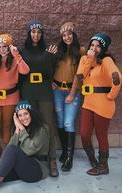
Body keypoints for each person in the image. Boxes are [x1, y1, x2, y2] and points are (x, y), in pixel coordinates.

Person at [76, 33, 121, 175]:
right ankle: (93, 159)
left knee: (101, 135)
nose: (94, 48)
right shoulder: (84, 59)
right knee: (84, 134)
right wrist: (90, 59)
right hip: (88, 103)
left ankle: (103, 166)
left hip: (103, 104)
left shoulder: (106, 60)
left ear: (103, 48)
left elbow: (117, 77)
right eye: (92, 45)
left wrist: (112, 95)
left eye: (98, 46)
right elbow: (80, 76)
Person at [18, 19, 59, 177]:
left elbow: (50, 72)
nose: (36, 34)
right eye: (33, 32)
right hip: (28, 90)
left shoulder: (47, 50)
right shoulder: (22, 51)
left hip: (44, 90)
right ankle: (33, 156)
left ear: (42, 34)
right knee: (30, 124)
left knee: (48, 125)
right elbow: (20, 74)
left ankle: (52, 159)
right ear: (29, 33)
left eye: (39, 32)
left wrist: (49, 57)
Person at [0, 34, 30, 163]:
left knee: (7, 126)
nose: (2, 49)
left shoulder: (15, 60)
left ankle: (7, 151)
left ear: (10, 47)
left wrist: (17, 56)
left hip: (11, 97)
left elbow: (26, 71)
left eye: (5, 47)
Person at [52, 22, 85, 171]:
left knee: (68, 123)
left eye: (69, 34)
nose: (67, 37)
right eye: (64, 35)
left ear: (74, 34)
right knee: (59, 121)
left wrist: (72, 93)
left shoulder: (81, 51)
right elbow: (49, 67)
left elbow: (79, 75)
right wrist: (50, 82)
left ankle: (69, 158)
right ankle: (65, 151)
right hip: (57, 90)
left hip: (73, 91)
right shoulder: (58, 51)